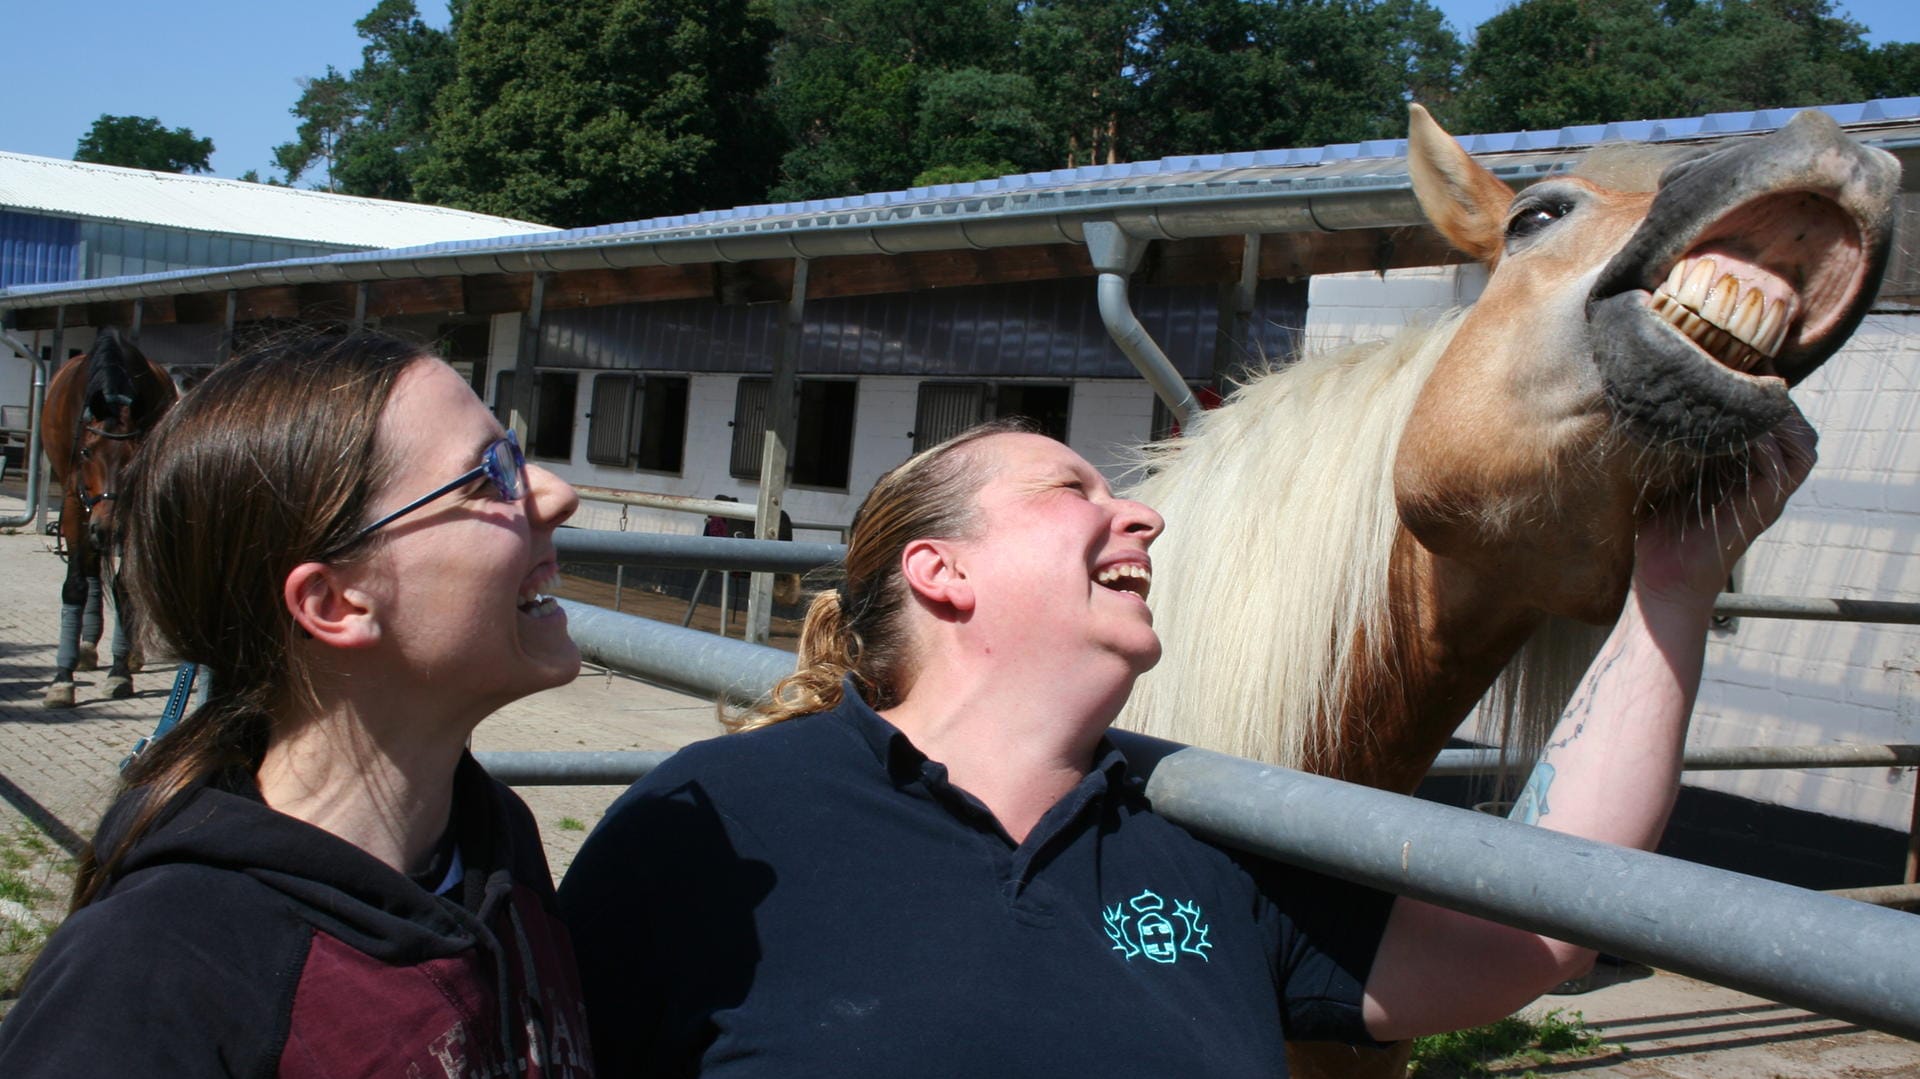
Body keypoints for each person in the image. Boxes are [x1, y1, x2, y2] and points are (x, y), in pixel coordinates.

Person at [560, 414, 1814, 1077]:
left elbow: (1545, 923)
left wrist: (1674, 583)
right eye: (1075, 492)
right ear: (940, 572)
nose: (1139, 512)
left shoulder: (1208, 839)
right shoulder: (716, 826)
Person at [0, 332, 597, 1077]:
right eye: (489, 476)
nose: (558, 493)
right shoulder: (145, 982)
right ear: (334, 602)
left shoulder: (495, 848)